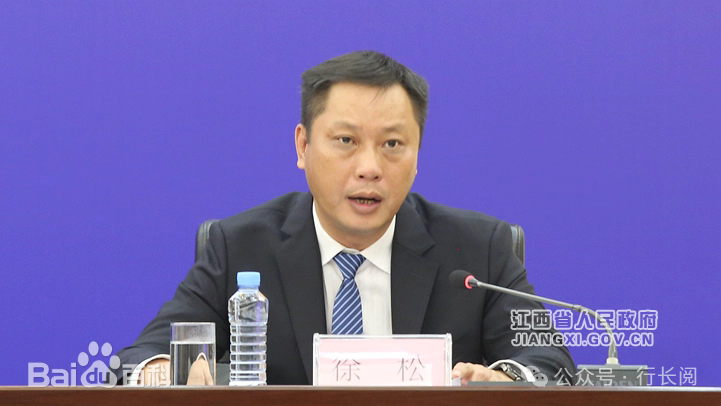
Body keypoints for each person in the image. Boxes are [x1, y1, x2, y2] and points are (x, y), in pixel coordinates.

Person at [115, 50, 575, 386]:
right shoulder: (240, 246)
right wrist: (161, 372)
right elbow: (139, 358)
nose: (369, 167)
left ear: (417, 154)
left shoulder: (478, 249)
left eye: (392, 144)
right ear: (303, 146)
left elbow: (550, 362)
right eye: (346, 141)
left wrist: (507, 380)